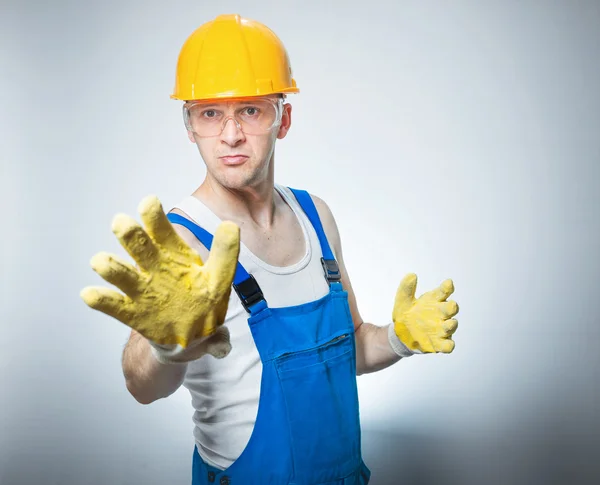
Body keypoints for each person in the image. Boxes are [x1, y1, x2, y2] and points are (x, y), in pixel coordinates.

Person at [80, 13, 460, 485]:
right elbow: (140, 385)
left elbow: (350, 350)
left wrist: (400, 338)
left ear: (284, 118)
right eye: (211, 113)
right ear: (190, 126)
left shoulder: (315, 216)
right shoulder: (184, 240)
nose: (232, 134)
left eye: (251, 110)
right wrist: (162, 348)